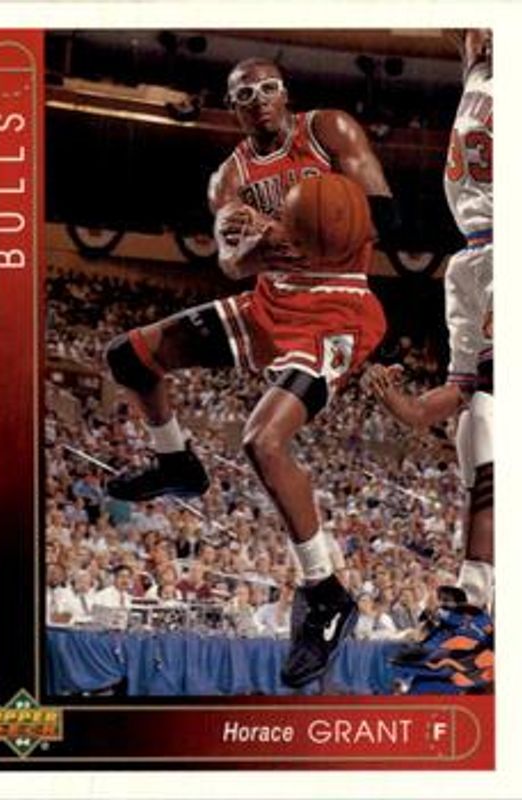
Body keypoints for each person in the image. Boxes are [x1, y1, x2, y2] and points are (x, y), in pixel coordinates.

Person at [104, 57, 398, 688]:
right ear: (232, 107)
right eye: (245, 94)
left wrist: (311, 230)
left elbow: (384, 212)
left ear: (285, 93)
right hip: (270, 302)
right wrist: (258, 247)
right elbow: (231, 263)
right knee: (129, 355)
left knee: (262, 441)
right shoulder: (229, 177)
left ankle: (325, 591)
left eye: (268, 88)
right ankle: (176, 462)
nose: (259, 99)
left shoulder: (329, 130)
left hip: (339, 307)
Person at [365, 30, 493, 612]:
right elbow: (453, 393)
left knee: (489, 419)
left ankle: (477, 592)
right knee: (472, 422)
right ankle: (484, 592)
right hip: (475, 252)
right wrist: (404, 406)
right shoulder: (479, 69)